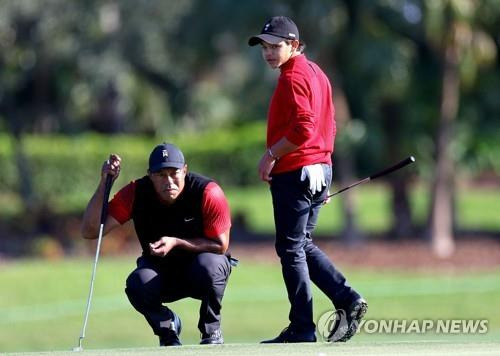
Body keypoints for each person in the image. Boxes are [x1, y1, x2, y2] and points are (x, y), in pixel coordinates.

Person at [248, 16, 367, 343]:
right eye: (265, 47)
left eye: (276, 46)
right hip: (316, 169)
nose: (269, 53)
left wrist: (271, 154)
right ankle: (347, 299)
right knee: (299, 245)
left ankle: (302, 326)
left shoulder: (292, 76)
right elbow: (329, 127)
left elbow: (303, 128)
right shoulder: (317, 73)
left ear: (294, 46)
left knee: (290, 248)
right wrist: (323, 174)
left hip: (296, 170)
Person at [81, 143, 233, 346]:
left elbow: (220, 246)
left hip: (200, 272)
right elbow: (90, 231)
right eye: (161, 174)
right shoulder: (136, 193)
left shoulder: (208, 192)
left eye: (174, 173)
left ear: (185, 170)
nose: (168, 181)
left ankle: (211, 331)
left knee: (211, 266)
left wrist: (177, 242)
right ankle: (167, 328)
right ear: (150, 175)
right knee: (137, 284)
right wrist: (104, 183)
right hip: (161, 273)